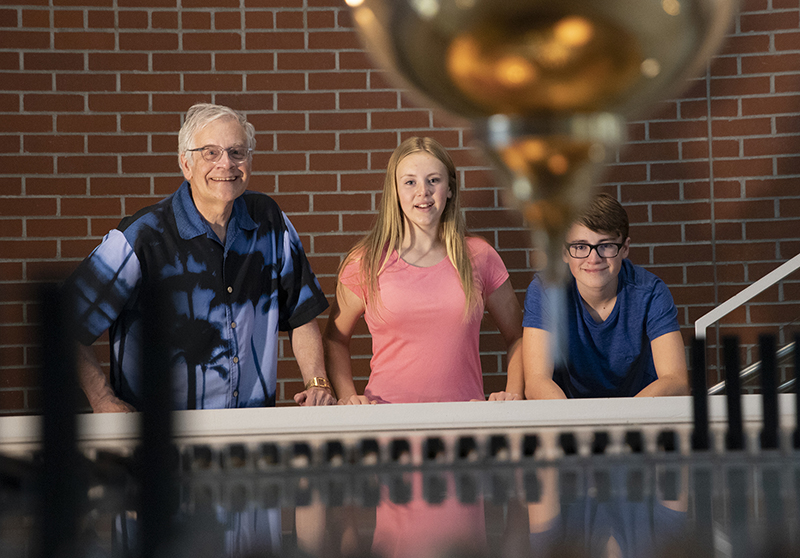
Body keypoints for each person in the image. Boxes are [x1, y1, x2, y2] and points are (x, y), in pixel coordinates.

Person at [67, 102, 336, 412]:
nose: (226, 164)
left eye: (237, 152)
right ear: (186, 164)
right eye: (210, 153)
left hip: (249, 439)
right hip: (162, 443)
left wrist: (318, 382)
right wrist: (102, 400)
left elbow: (301, 314)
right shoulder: (142, 237)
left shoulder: (270, 222)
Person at [324, 136, 524, 404]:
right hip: (387, 426)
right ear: (395, 191)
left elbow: (518, 336)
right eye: (410, 182)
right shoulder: (366, 261)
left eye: (434, 180)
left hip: (465, 425)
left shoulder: (479, 256)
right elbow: (334, 339)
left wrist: (513, 394)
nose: (423, 192)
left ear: (450, 189)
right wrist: (348, 397)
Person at [522, 193, 689, 399]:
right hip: (568, 417)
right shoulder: (546, 289)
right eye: (580, 246)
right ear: (564, 252)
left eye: (606, 245)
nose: (594, 258)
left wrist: (623, 423)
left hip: (639, 416)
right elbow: (536, 381)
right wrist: (575, 425)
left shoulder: (651, 292)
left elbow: (676, 379)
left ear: (624, 248)